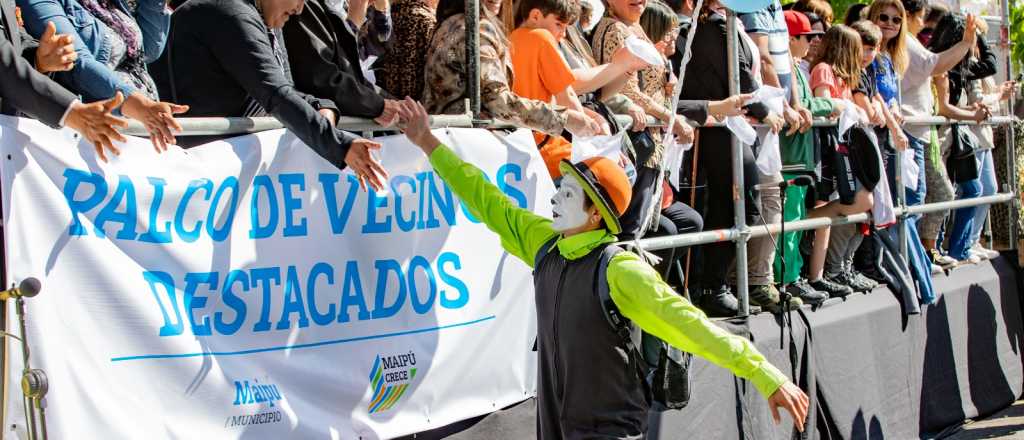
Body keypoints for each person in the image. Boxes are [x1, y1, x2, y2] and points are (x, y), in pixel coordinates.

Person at [396, 97, 809, 439]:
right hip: (556, 426)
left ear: (596, 215)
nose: (557, 197)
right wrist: (427, 141)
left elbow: (691, 326)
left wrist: (765, 374)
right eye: (561, 187)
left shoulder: (620, 271)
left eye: (570, 192)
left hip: (610, 429)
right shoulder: (544, 242)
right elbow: (483, 196)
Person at [166, 0, 388, 190]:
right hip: (200, 171)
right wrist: (341, 145)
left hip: (234, 171)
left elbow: (285, 88)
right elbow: (275, 94)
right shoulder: (230, 12)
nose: (299, 10)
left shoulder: (267, 17)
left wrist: (321, 105)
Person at [680, 0, 783, 316]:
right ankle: (711, 287)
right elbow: (735, 72)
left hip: (732, 126)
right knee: (732, 202)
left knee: (738, 204)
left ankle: (716, 284)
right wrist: (764, 110)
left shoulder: (727, 22)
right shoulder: (708, 26)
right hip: (716, 127)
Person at [423, 0, 600, 145]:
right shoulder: (476, 28)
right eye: (559, 24)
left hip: (449, 142)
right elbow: (499, 102)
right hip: (467, 145)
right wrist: (565, 118)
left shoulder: (452, 24)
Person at [17, 0, 187, 150]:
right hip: (98, 134)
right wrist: (140, 105)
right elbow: (75, 62)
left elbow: (148, 51)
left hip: (142, 126)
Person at [890, 0, 978, 266]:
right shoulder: (905, 41)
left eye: (895, 19)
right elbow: (935, 65)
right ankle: (915, 257)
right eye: (886, 18)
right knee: (918, 199)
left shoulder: (910, 41)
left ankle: (924, 253)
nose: (891, 25)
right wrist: (964, 43)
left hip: (920, 132)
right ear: (915, 15)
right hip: (909, 133)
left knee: (927, 197)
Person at [805, 25, 874, 297]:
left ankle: (833, 269)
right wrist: (845, 107)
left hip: (842, 150)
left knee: (856, 206)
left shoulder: (845, 77)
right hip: (826, 150)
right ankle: (818, 275)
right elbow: (823, 105)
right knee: (828, 209)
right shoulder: (823, 69)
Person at [777, 10, 834, 305]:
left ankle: (793, 277)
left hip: (798, 158)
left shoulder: (798, 65)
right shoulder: (785, 65)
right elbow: (803, 103)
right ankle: (786, 280)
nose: (812, 42)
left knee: (796, 220)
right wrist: (835, 103)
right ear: (791, 38)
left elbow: (808, 103)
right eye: (808, 37)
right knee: (788, 222)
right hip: (787, 160)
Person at [282, 0, 402, 123]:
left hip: (354, 105)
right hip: (331, 117)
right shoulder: (305, 6)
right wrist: (353, 25)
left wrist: (382, 9)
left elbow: (384, 44)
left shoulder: (342, 5)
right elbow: (325, 77)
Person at [378, 0, 437, 101]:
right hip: (411, 105)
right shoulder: (423, 19)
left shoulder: (387, 15)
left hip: (388, 98)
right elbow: (411, 72)